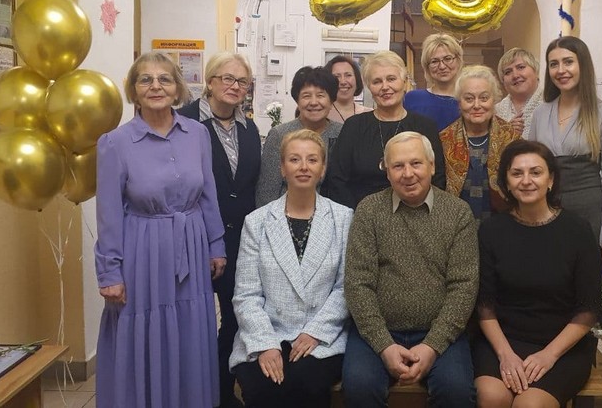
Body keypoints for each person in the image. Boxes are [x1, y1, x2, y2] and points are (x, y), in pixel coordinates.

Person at [95, 52, 226, 408]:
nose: (156, 86)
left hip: (192, 246)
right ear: (134, 90)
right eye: (146, 80)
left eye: (164, 79)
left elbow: (208, 193)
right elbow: (108, 213)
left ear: (178, 88)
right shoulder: (115, 143)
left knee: (188, 330)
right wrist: (110, 272)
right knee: (145, 331)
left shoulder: (198, 134)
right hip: (143, 252)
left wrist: (216, 244)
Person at [342, 132, 478, 408]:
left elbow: (464, 286)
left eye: (416, 163)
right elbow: (358, 283)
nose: (408, 174)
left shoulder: (458, 213)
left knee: (457, 392)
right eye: (398, 166)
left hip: (441, 333)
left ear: (432, 166)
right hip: (376, 332)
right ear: (387, 172)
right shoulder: (369, 210)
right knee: (359, 387)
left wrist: (432, 346)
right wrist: (383, 344)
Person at [474, 139, 602, 408]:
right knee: (491, 397)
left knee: (529, 405)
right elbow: (485, 305)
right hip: (503, 341)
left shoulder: (578, 231)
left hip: (561, 345)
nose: (526, 181)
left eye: (536, 172)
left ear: (551, 179)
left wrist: (548, 355)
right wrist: (505, 355)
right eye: (517, 173)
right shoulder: (491, 231)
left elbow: (589, 309)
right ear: (506, 183)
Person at [230, 129, 352, 408]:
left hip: (321, 335)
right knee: (262, 385)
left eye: (312, 160)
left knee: (306, 382)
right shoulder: (257, 221)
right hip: (266, 330)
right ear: (282, 168)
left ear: (323, 169)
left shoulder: (344, 218)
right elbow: (246, 294)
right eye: (295, 160)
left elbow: (345, 288)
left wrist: (315, 332)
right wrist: (265, 344)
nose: (303, 167)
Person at [178, 51, 261, 408]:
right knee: (190, 320)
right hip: (192, 237)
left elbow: (248, 185)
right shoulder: (182, 122)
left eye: (242, 81)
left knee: (234, 318)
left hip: (239, 240)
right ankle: (187, 393)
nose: (234, 86)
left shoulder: (249, 128)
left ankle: (222, 393)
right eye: (227, 78)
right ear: (210, 81)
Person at [529, 36, 602, 267]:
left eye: (568, 62)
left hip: (589, 214)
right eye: (554, 64)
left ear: (583, 65)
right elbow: (531, 168)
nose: (561, 70)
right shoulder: (540, 113)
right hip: (547, 212)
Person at [325, 50, 446, 209]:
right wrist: (356, 215)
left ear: (404, 82)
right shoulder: (354, 126)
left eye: (391, 79)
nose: (385, 87)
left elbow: (437, 178)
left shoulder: (424, 126)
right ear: (369, 87)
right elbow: (337, 179)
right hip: (361, 215)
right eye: (377, 81)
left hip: (415, 214)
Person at [440, 65, 519, 221]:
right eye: (469, 99)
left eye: (484, 98)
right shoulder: (444, 139)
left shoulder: (512, 138)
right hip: (456, 224)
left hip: (503, 223)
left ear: (494, 100)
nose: (477, 105)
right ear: (459, 102)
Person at [256, 66, 342, 207]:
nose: (314, 102)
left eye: (320, 95)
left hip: (333, 215)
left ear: (331, 100)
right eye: (306, 96)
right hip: (285, 213)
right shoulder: (280, 134)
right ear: (297, 101)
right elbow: (267, 191)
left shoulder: (342, 133)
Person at [403, 33, 463, 131]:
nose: (442, 66)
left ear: (458, 61)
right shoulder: (413, 99)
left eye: (448, 59)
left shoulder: (469, 100)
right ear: (427, 67)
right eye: (434, 61)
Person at [494, 47, 543, 139]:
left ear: (536, 71)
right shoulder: (495, 112)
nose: (515, 75)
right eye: (508, 72)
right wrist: (507, 134)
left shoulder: (552, 104)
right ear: (503, 81)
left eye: (521, 67)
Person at [325, 55, 372, 123]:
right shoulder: (322, 115)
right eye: (337, 76)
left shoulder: (369, 115)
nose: (343, 82)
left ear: (357, 79)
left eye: (348, 75)